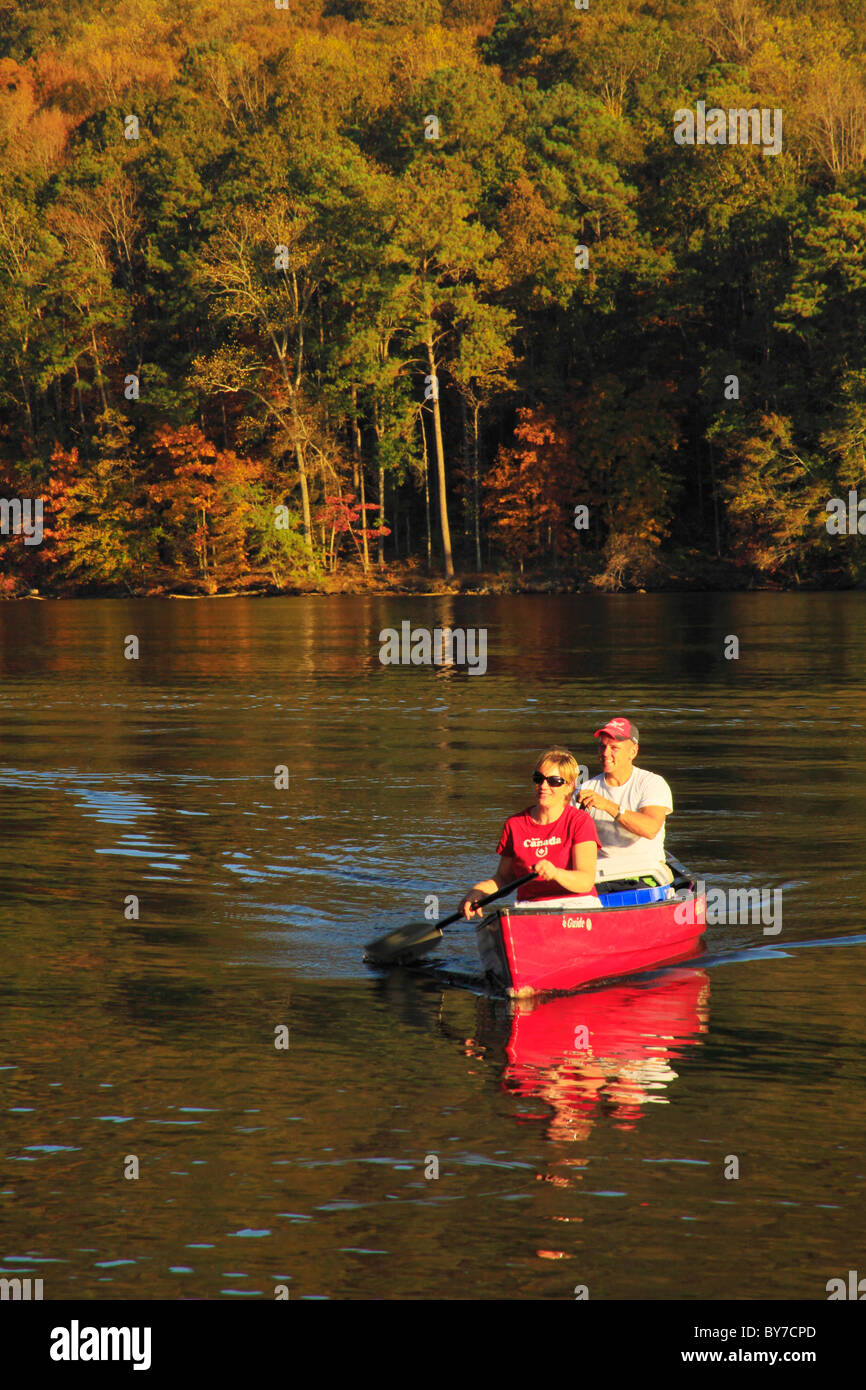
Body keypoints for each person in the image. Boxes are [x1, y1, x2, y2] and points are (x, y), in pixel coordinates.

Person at [460, 747, 600, 918]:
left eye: (554, 781)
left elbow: (585, 881)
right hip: (531, 907)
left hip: (577, 906)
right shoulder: (514, 824)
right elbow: (504, 879)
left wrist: (555, 873)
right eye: (538, 779)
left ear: (569, 786)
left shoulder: (580, 822)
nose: (543, 786)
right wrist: (478, 891)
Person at [574, 717, 674, 885]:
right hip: (601, 875)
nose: (605, 753)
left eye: (614, 748)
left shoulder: (652, 783)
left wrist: (607, 805)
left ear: (633, 752)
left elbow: (650, 829)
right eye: (602, 746)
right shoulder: (585, 789)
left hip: (647, 873)